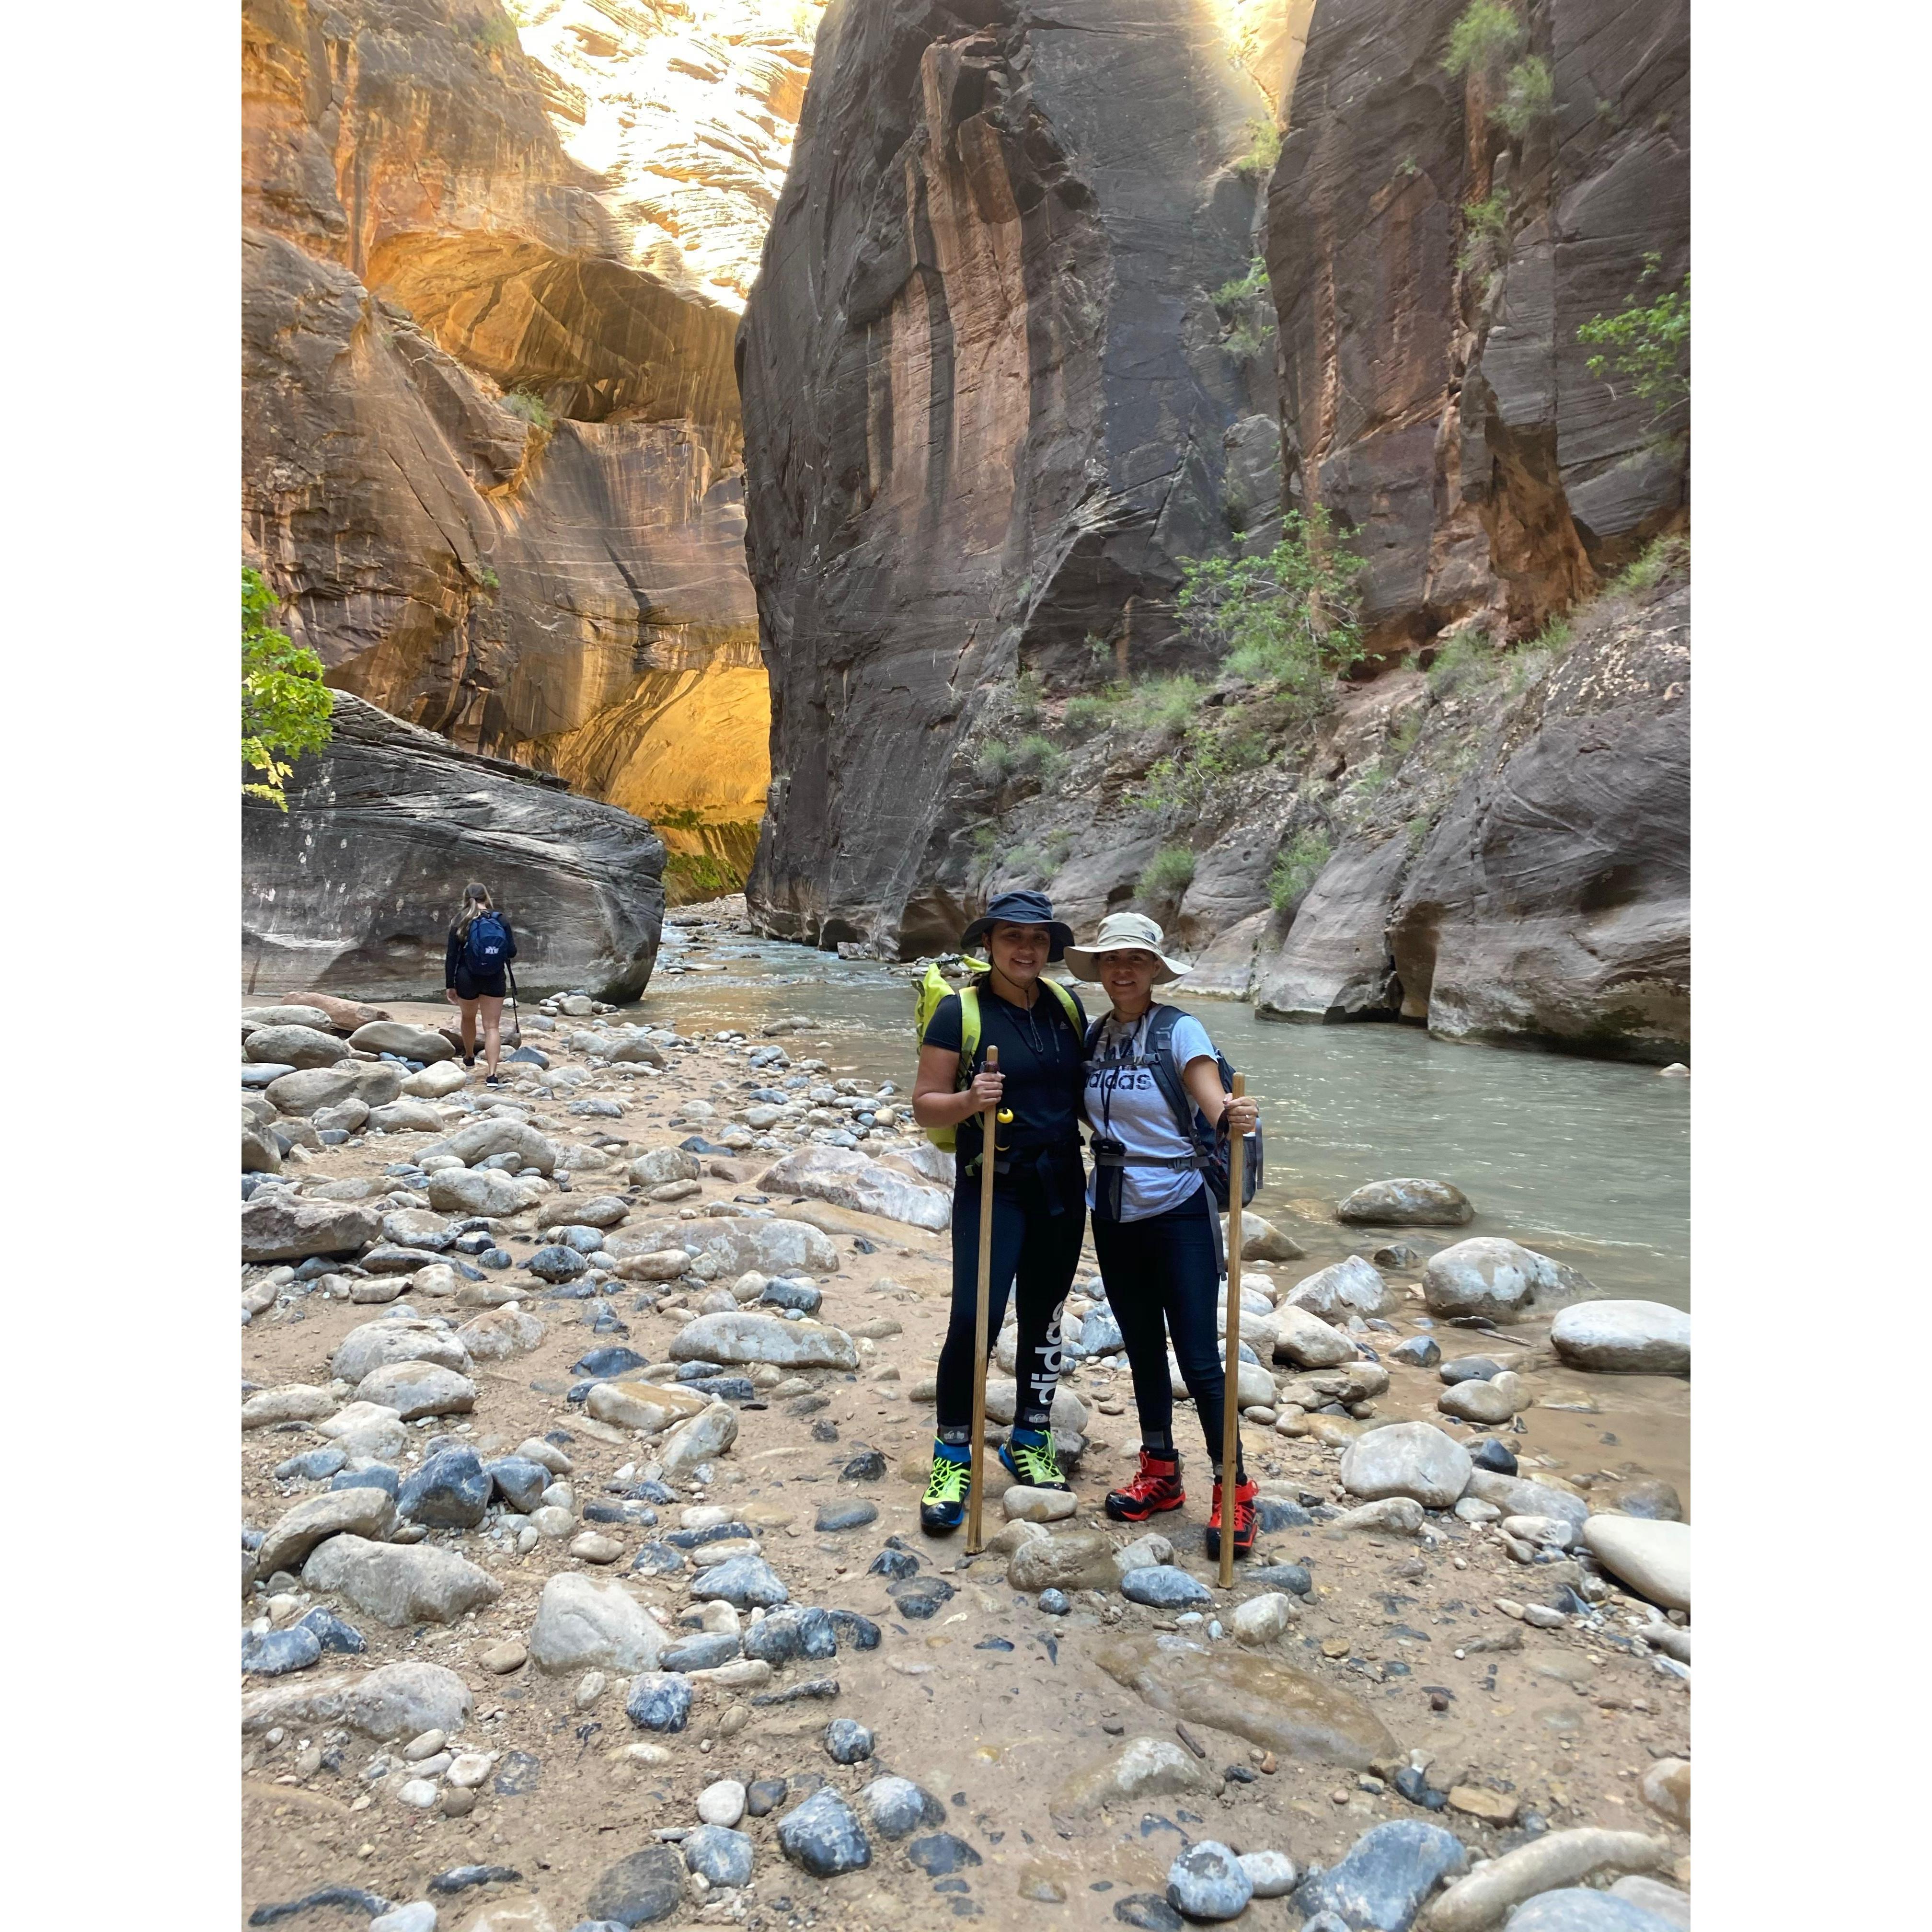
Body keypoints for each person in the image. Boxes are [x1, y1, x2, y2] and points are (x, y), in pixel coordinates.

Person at [1064, 911, 1263, 1560]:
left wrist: (1233, 1115)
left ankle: (1235, 1490)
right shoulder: (1093, 1038)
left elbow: (1214, 1104)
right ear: (1099, 970)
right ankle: (1161, 1472)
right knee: (1144, 1348)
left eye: (1137, 960)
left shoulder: (1181, 1031)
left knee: (1200, 1361)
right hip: (1115, 1212)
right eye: (1112, 960)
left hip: (1178, 1210)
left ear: (1154, 969)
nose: (1123, 971)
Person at [911, 891, 1090, 1534]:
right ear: (988, 944)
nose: (1027, 950)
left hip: (1063, 1187)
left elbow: (1086, 1097)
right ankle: (952, 1453)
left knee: (1045, 1319)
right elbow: (925, 1104)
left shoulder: (1068, 1008)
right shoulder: (960, 1013)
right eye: (1013, 937)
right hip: (995, 1186)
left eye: (1039, 940)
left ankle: (1030, 1438)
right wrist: (969, 1100)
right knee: (974, 1320)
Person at [443, 883, 517, 1084]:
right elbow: (511, 951)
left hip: (467, 977)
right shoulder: (499, 919)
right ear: (486, 897)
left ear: (465, 898)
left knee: (468, 1018)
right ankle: (492, 1074)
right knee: (492, 1026)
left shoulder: (460, 920)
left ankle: (469, 1057)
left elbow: (452, 956)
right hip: (494, 977)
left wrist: (450, 984)